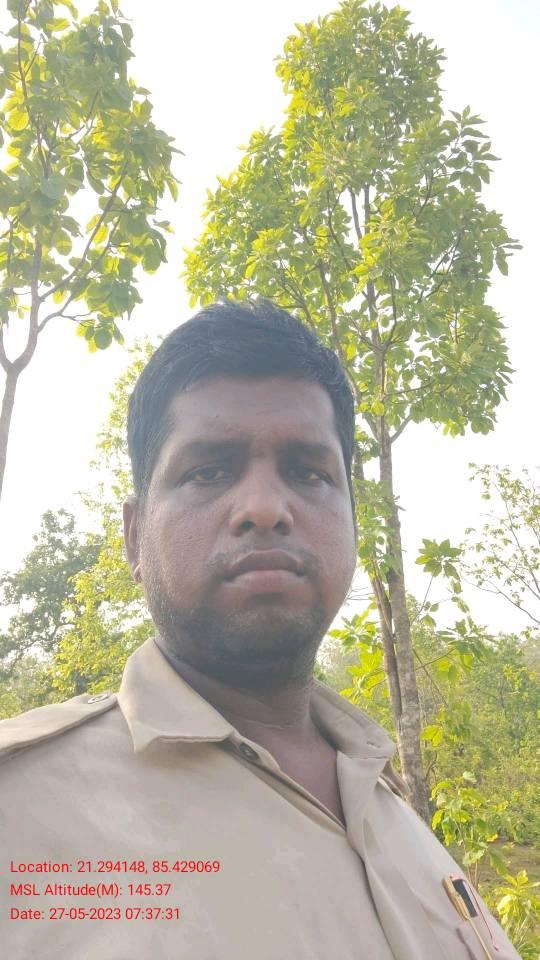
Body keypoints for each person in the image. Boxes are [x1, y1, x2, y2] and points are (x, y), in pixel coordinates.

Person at [0, 300, 521, 959]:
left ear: (353, 522)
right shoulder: (20, 810)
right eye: (209, 471)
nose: (266, 508)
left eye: (308, 473)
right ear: (134, 536)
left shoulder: (389, 803)